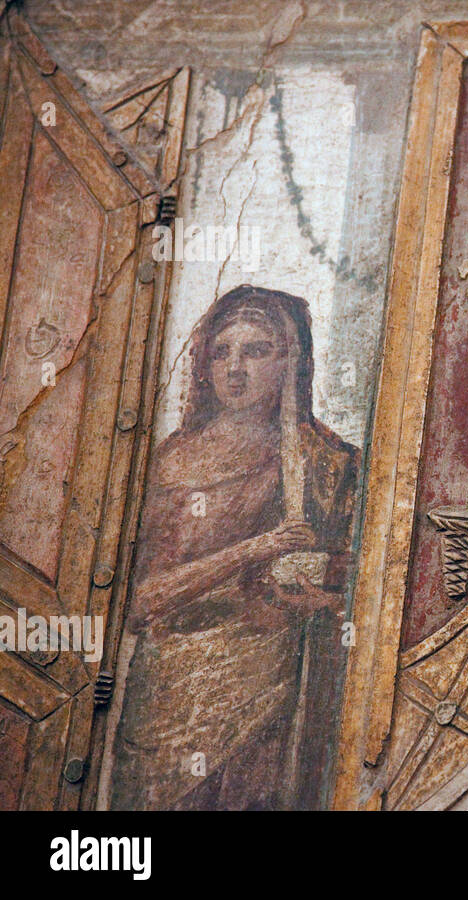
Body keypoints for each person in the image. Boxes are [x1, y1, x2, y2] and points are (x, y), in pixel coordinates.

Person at [110, 286, 358, 809]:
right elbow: (140, 602)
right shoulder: (171, 462)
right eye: (222, 352)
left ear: (291, 360)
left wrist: (322, 589)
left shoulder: (326, 463)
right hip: (169, 692)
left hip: (266, 692)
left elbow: (355, 583)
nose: (235, 369)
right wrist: (254, 550)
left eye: (257, 350)